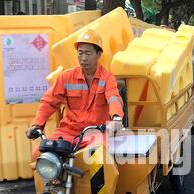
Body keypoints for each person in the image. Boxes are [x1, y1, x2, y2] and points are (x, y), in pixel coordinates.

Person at [26, 29, 124, 160]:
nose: (83, 58)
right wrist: (37, 125)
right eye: (80, 53)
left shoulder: (107, 78)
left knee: (99, 154)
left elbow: (113, 98)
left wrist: (116, 119)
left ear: (99, 54)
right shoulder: (66, 77)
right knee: (38, 154)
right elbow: (49, 102)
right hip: (68, 131)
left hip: (97, 132)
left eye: (88, 53)